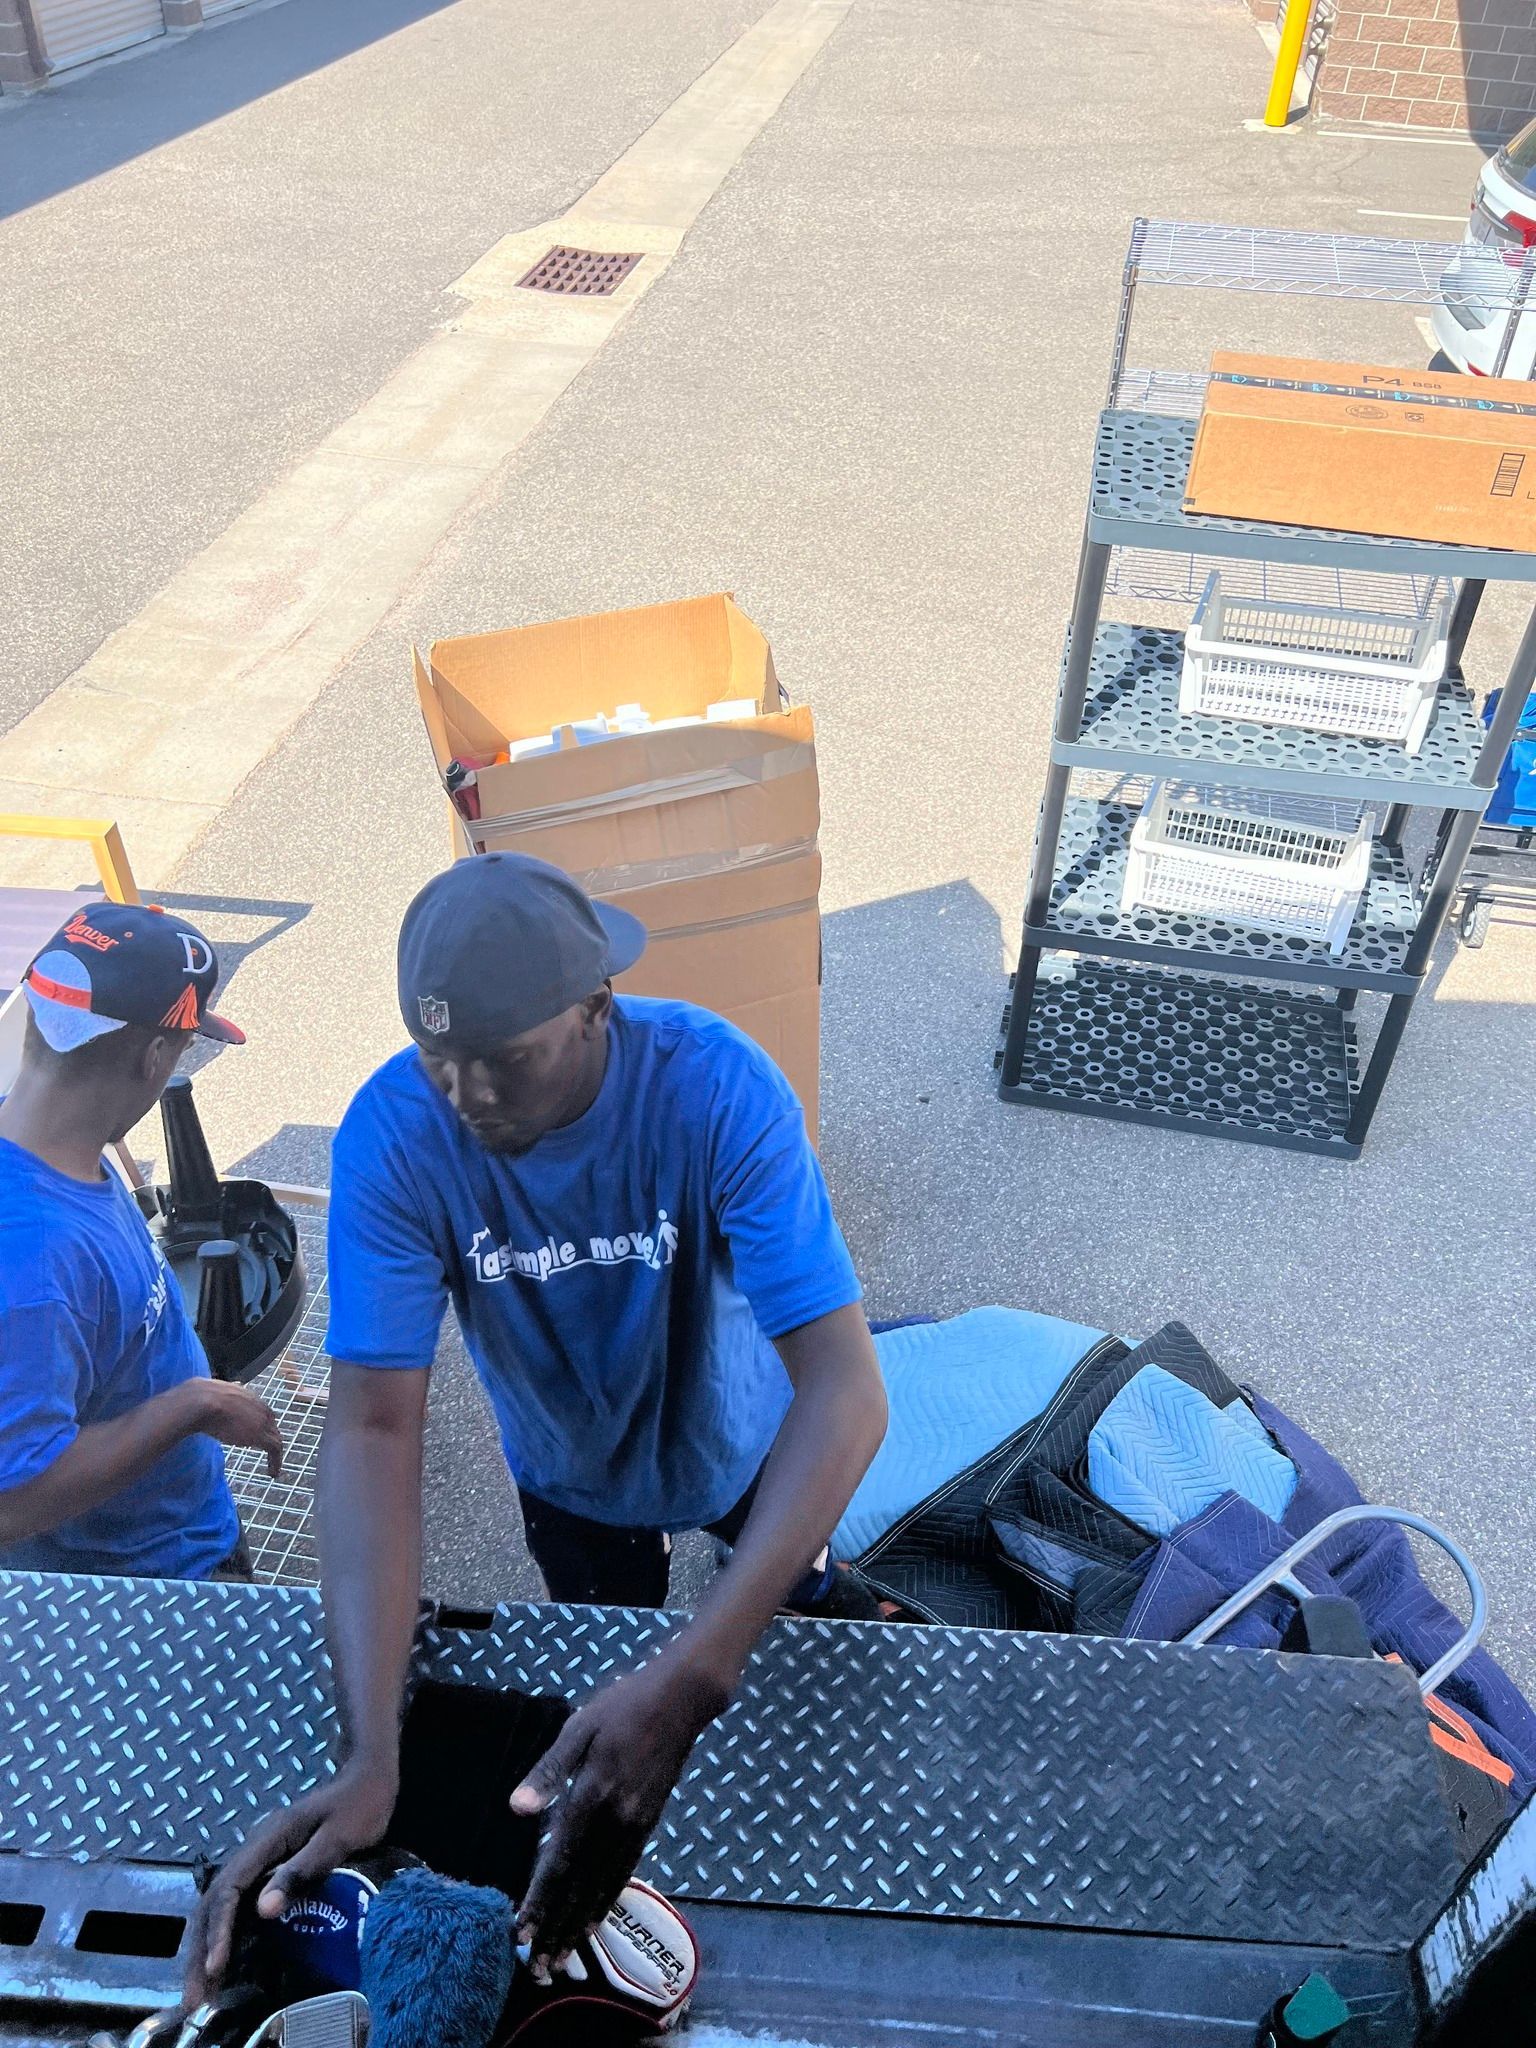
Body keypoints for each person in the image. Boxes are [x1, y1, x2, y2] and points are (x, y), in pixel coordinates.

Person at [191, 852, 887, 1999]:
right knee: (608, 1645)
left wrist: (703, 1666)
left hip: (739, 1445)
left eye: (503, 1061)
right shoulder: (394, 1135)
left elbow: (846, 1390)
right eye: (439, 1060)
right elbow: (371, 1428)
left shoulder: (717, 1085)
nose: (466, 1096)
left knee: (780, 1590)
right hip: (568, 1471)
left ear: (595, 1010)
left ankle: (810, 1589)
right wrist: (372, 1753)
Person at [0, 902, 282, 1579]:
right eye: (182, 1047)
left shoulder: (56, 1150)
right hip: (152, 1583)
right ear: (156, 1055)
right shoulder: (32, 1261)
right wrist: (193, 1405)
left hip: (179, 1524)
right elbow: (13, 1500)